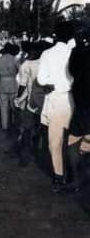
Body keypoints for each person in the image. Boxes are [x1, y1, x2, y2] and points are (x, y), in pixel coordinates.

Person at [37, 21, 75, 192]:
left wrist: (51, 84)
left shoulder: (47, 53)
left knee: (55, 141)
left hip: (55, 99)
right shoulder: (74, 52)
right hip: (74, 98)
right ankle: (74, 175)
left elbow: (41, 80)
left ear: (55, 35)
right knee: (73, 139)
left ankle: (59, 176)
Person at [64, 27, 90, 192]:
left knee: (73, 140)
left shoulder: (78, 52)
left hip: (83, 100)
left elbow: (72, 71)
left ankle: (75, 179)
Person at [0, 43, 20, 131]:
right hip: (13, 83)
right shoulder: (15, 59)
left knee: (3, 106)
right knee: (14, 106)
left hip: (2, 83)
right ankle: (14, 124)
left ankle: (4, 125)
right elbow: (21, 71)